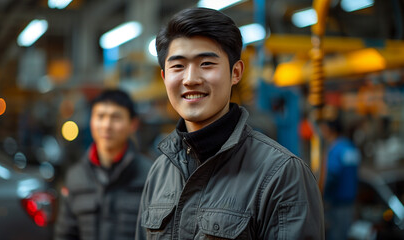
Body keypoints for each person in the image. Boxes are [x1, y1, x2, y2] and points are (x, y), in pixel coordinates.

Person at [136, 7, 324, 239]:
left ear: (236, 72)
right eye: (178, 66)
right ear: (165, 77)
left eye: (206, 63)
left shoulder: (281, 174)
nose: (191, 79)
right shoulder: (159, 172)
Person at [54, 89, 152, 240]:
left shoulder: (150, 175)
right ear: (91, 121)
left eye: (116, 117)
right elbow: (65, 234)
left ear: (133, 124)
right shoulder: (76, 176)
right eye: (100, 116)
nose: (106, 125)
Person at [319, 106, 361, 240]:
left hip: (336, 204)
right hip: (350, 202)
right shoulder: (350, 146)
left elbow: (331, 176)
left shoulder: (335, 149)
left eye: (323, 128)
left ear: (330, 129)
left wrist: (322, 198)